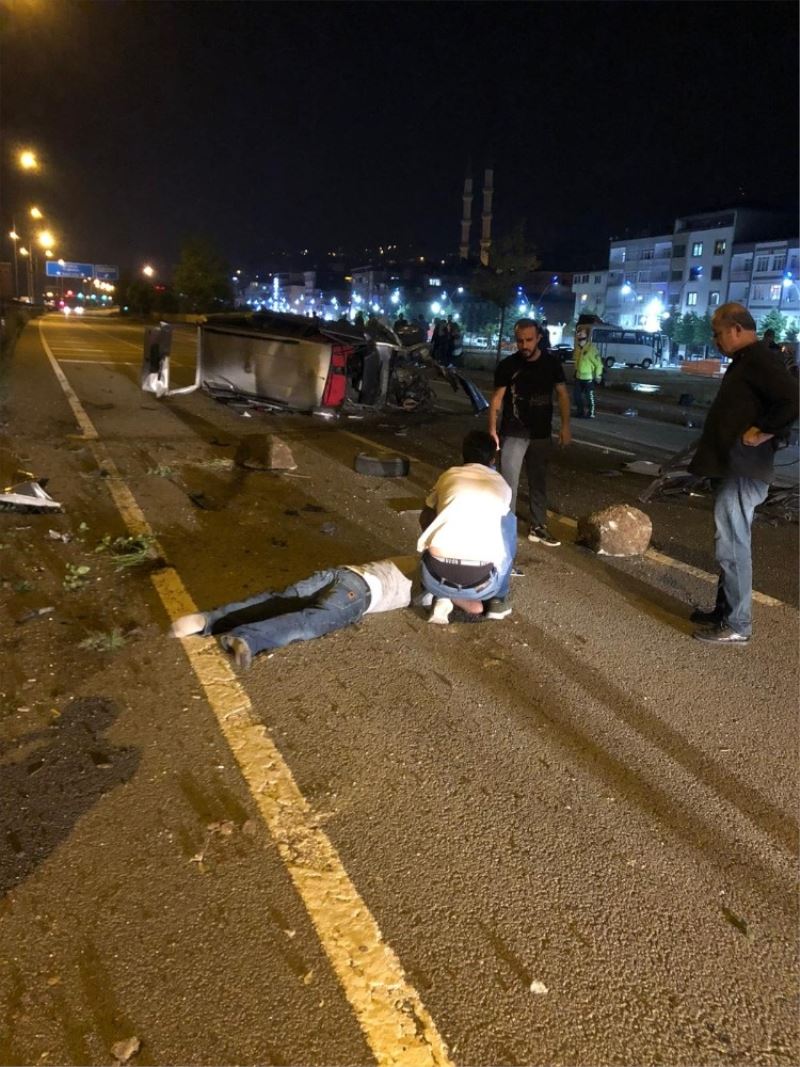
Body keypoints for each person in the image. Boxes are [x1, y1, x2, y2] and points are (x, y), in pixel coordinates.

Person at [688, 303, 798, 645]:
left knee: (732, 545)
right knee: (730, 543)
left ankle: (738, 624)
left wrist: (762, 431)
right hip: (733, 466)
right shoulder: (747, 360)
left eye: (718, 332)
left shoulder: (760, 359)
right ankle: (724, 612)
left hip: (744, 469)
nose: (715, 339)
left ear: (736, 329)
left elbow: (794, 399)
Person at [170, 558, 414, 669]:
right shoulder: (444, 581)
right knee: (311, 622)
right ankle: (247, 639)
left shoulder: (432, 558)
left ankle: (206, 621)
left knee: (277, 601)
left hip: (343, 572)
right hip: (360, 593)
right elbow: (441, 609)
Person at [417, 430, 517, 623]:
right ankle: (498, 600)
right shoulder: (502, 485)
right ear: (493, 459)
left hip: (432, 575)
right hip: (482, 582)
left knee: (435, 511)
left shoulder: (448, 475)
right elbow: (505, 538)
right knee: (508, 523)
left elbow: (425, 517)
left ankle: (442, 594)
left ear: (463, 454)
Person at [488, 318, 571, 547]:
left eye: (529, 340)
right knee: (509, 485)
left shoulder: (552, 364)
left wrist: (565, 427)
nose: (524, 345)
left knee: (538, 481)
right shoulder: (508, 366)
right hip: (514, 432)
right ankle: (506, 534)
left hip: (541, 433)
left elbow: (563, 395)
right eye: (520, 341)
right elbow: (496, 399)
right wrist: (492, 430)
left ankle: (538, 526)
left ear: (539, 339)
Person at [572, 330, 604, 418]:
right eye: (579, 339)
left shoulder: (591, 349)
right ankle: (580, 412)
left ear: (585, 339)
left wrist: (598, 375)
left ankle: (591, 413)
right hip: (579, 377)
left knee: (589, 397)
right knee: (577, 396)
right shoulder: (578, 349)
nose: (580, 341)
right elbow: (577, 362)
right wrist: (575, 372)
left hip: (588, 378)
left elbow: (598, 364)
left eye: (581, 339)